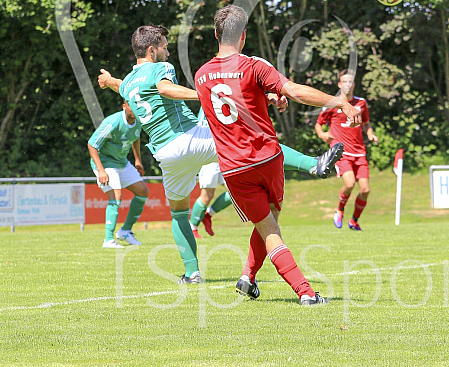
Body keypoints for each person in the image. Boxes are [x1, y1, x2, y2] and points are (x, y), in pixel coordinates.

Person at [98, 24, 343, 284]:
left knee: (179, 213)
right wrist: (203, 94)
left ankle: (192, 273)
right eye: (165, 47)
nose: (168, 53)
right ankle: (313, 165)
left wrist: (109, 81)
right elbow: (164, 89)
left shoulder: (129, 84)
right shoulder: (161, 68)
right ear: (151, 50)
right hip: (190, 139)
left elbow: (121, 85)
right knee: (250, 140)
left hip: (166, 155)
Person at [194, 5, 362, 305]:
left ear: (216, 34)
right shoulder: (253, 66)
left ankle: (248, 276)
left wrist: (266, 96)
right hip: (265, 158)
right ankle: (306, 293)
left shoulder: (201, 74)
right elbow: (294, 90)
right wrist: (339, 102)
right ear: (243, 35)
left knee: (266, 223)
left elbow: (229, 102)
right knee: (271, 227)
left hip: (232, 167)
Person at [190, 108, 343, 238]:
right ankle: (193, 227)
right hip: (211, 150)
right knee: (207, 195)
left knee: (236, 193)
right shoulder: (211, 88)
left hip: (231, 150)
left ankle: (208, 215)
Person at [315, 69, 378, 231]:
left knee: (365, 190)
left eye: (350, 82)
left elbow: (366, 123)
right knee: (349, 184)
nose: (348, 85)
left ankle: (354, 221)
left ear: (354, 84)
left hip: (359, 152)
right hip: (341, 151)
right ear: (339, 84)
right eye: (345, 82)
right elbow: (318, 124)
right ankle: (340, 209)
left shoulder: (361, 103)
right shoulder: (333, 103)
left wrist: (370, 134)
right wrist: (322, 134)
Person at [87, 101, 148, 248]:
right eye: (130, 105)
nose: (134, 108)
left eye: (136, 105)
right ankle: (108, 240)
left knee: (143, 191)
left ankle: (125, 231)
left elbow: (136, 137)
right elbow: (92, 144)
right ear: (124, 106)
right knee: (115, 195)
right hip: (105, 162)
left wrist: (138, 160)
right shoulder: (112, 122)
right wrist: (101, 170)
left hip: (122, 162)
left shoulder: (139, 121)